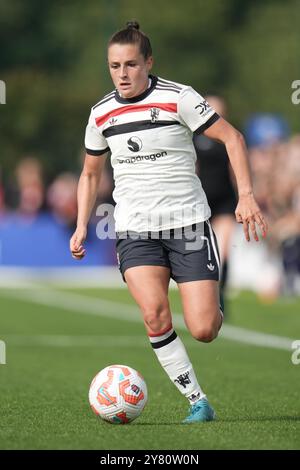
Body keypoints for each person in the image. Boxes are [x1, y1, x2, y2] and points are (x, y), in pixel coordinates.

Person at [70, 21, 267, 423]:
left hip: (189, 227)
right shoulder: (101, 113)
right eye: (114, 66)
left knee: (204, 329)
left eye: (130, 65)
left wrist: (246, 195)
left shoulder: (179, 98)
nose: (122, 74)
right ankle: (198, 401)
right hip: (135, 230)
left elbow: (233, 138)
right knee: (155, 314)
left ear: (148, 62)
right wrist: (80, 224)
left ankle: (210, 307)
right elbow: (90, 174)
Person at [193, 96, 237, 315]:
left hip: (225, 200)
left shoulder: (228, 137)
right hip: (200, 202)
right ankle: (207, 294)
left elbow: (235, 169)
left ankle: (221, 294)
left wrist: (247, 197)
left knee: (224, 249)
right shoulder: (193, 138)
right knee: (204, 253)